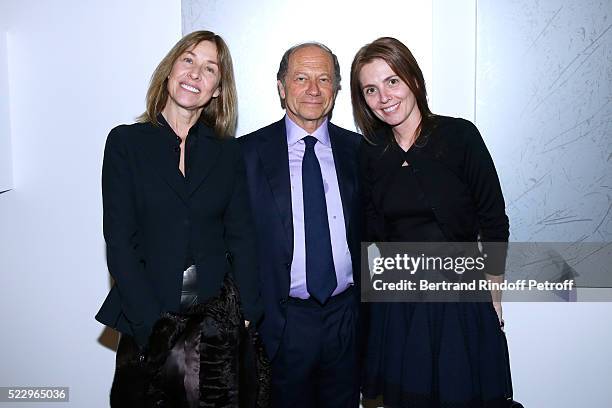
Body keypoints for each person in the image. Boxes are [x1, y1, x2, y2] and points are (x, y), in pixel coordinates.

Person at [95, 30, 266, 407]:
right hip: (147, 320)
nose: (195, 74)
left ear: (218, 89)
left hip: (215, 326)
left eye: (209, 69)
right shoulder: (126, 143)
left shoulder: (227, 152)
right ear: (170, 69)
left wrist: (249, 314)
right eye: (188, 60)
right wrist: (152, 328)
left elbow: (241, 236)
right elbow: (120, 241)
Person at [351, 37, 512, 407]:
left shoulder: (459, 136)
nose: (384, 97)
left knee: (461, 393)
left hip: (459, 294)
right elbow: (371, 230)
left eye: (392, 81)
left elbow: (493, 219)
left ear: (414, 81)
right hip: (398, 301)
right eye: (371, 89)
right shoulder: (371, 153)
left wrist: (495, 292)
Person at [239, 43, 362, 408]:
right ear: (281, 86)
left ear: (336, 89)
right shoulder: (244, 155)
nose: (313, 89)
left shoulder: (360, 151)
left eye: (324, 79)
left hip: (346, 320)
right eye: (301, 78)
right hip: (281, 324)